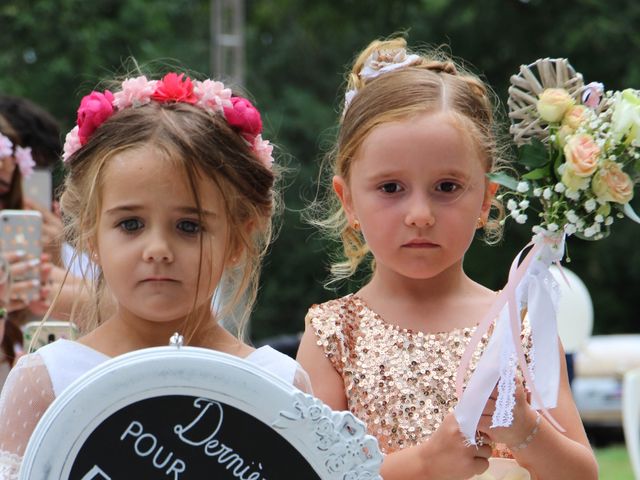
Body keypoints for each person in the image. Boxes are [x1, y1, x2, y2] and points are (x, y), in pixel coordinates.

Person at [296, 38, 598, 480]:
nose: (420, 215)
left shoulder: (522, 330)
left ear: (486, 199)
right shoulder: (333, 337)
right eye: (391, 188)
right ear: (349, 201)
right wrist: (424, 464)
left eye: (447, 187)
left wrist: (524, 429)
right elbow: (312, 472)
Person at [0, 71, 309, 478]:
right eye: (130, 224)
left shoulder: (278, 383)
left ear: (238, 237)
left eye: (189, 226)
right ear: (91, 234)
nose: (158, 250)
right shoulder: (46, 380)